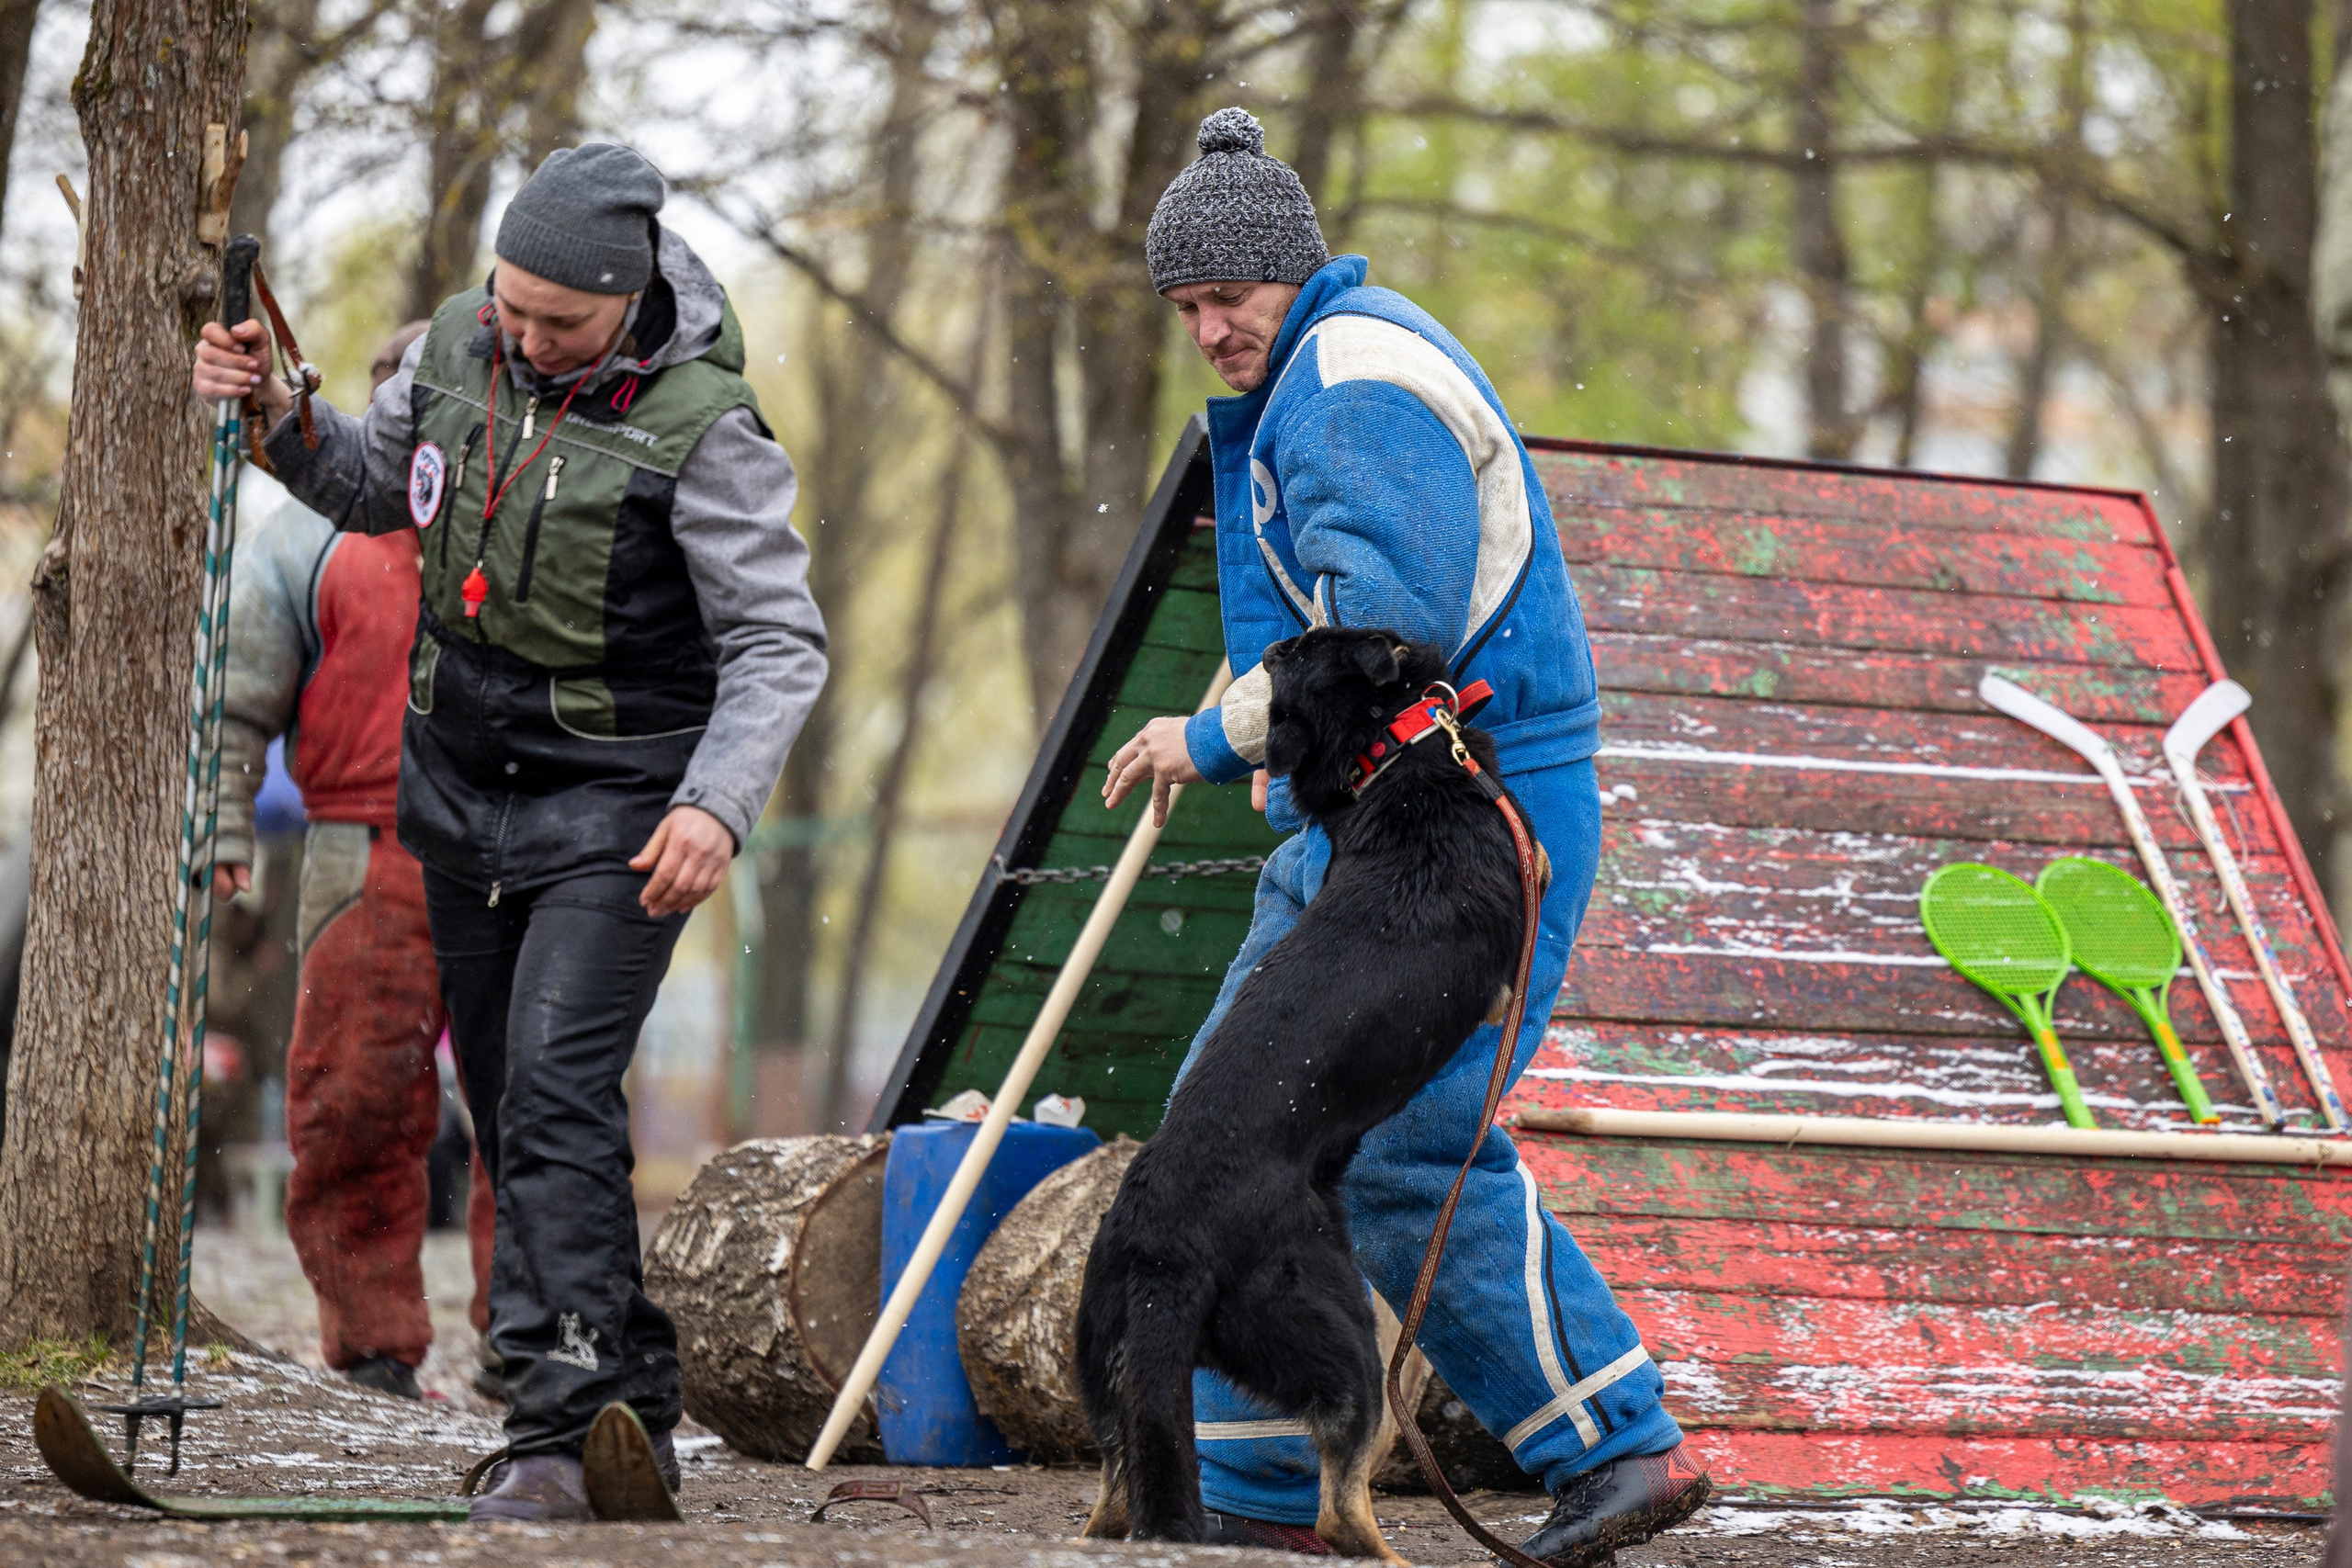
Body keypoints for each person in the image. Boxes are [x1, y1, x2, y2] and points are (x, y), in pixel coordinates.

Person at [1101, 108, 1710, 1567]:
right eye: (1184, 307)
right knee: (1227, 1132)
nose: (1207, 330)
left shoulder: (1355, 385)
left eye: (1226, 296)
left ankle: (1617, 1445)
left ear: (1289, 272)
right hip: (1371, 814)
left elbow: (1385, 636)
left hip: (1472, 818)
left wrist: (1216, 735)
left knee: (1403, 1143)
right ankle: (1255, 1482)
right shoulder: (1307, 373)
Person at [193, 142, 829, 1522]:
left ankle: (560, 1416)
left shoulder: (707, 426)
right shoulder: (452, 351)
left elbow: (779, 641)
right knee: (506, 1100)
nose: (525, 337)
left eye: (560, 322)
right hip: (455, 797)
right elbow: (370, 486)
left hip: (620, 812)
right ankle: (631, 1402)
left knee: (550, 1093)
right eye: (511, 307)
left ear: (628, 297)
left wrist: (716, 803)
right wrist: (278, 415)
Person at [216, 321, 496, 1404]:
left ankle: (532, 1341)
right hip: (358, 845)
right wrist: (222, 830)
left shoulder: (526, 520)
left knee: (536, 1110)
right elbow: (233, 698)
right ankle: (374, 1346)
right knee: (351, 1100)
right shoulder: (302, 536)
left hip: (511, 847)